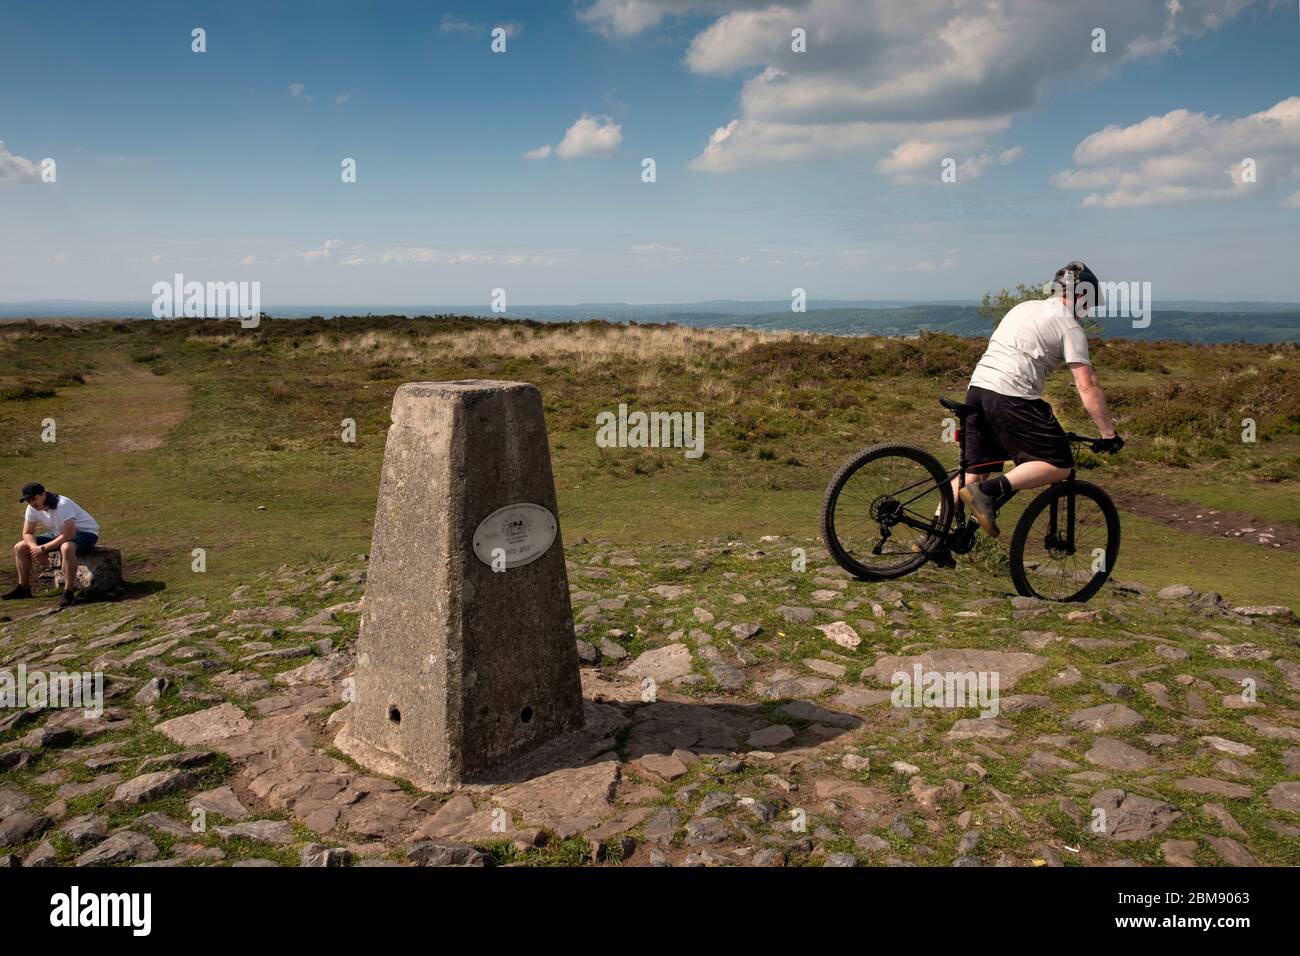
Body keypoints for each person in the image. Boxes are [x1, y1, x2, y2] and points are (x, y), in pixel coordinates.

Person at [955, 261, 1123, 540]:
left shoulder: (1023, 307)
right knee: (1058, 463)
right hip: (1010, 395)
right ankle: (987, 493)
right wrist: (1108, 433)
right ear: (1080, 296)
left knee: (973, 472)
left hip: (978, 390)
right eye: (1089, 304)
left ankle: (933, 536)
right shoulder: (1069, 327)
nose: (1087, 312)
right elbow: (1087, 385)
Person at [4, 483, 101, 607]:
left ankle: (68, 592)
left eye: (34, 499)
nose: (32, 503)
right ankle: (23, 588)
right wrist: (35, 549)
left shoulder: (62, 505)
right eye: (28, 500)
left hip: (86, 533)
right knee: (20, 547)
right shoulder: (32, 508)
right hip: (58, 533)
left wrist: (44, 548)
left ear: (44, 494)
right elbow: (27, 533)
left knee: (66, 547)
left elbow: (69, 535)